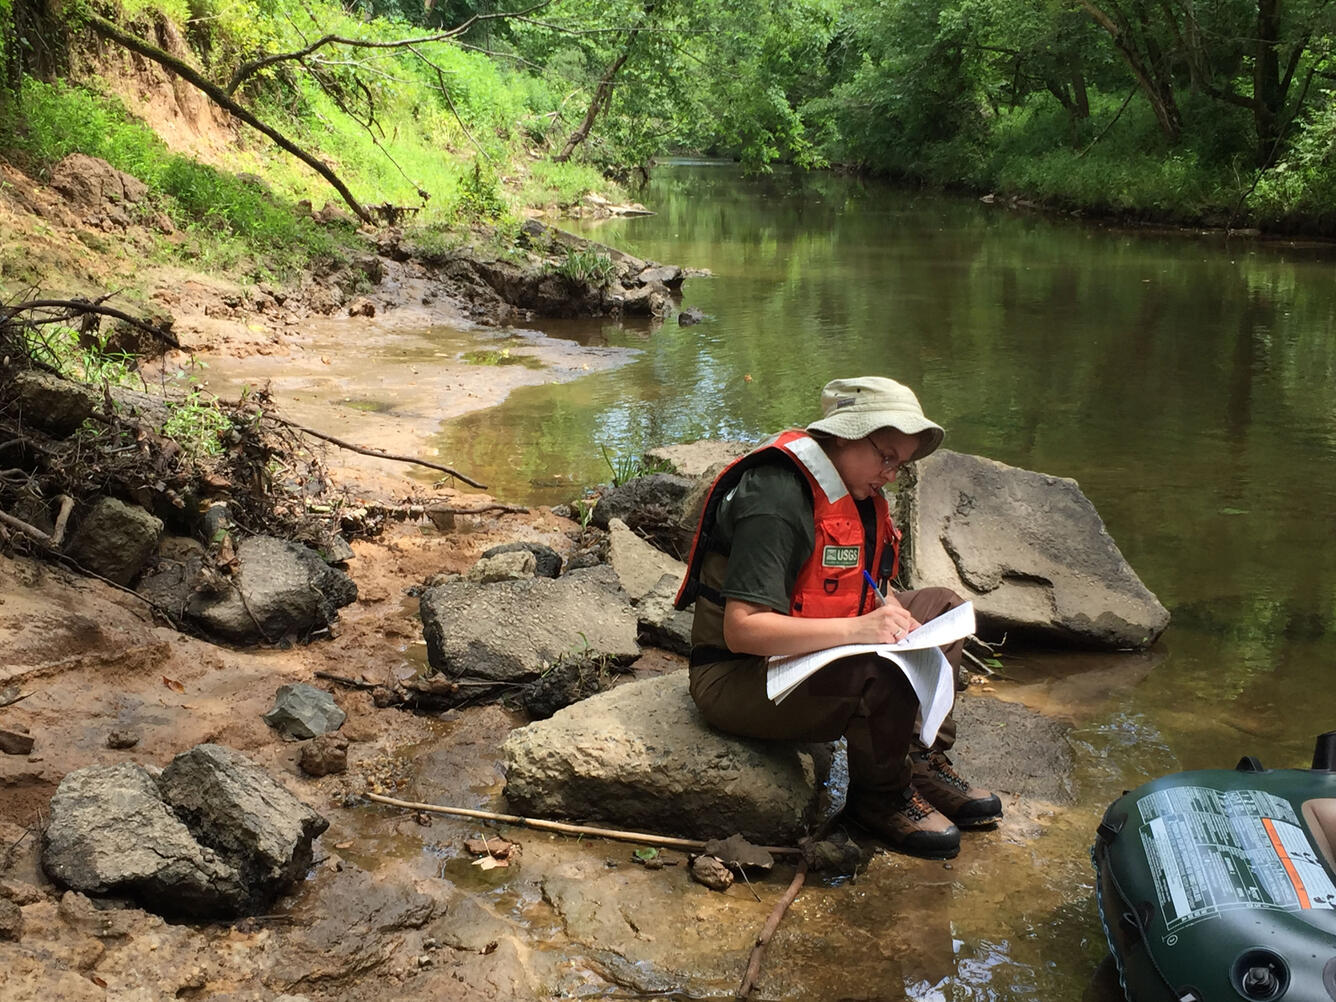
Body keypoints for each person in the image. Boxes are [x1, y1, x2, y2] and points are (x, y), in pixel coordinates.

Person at [674, 376, 1000, 859]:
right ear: (845, 434)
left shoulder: (858, 491)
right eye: (886, 456)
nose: (891, 474)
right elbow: (742, 630)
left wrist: (887, 608)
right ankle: (879, 798)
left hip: (806, 652)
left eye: (901, 464)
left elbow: (863, 582)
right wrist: (860, 629)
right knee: (882, 664)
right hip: (738, 676)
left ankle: (919, 758)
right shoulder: (776, 496)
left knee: (943, 607)